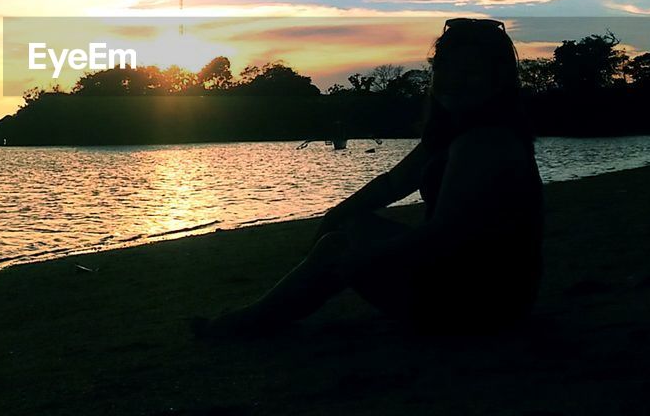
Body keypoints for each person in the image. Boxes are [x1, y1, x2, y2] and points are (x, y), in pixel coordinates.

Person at [189, 17, 544, 338]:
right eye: (444, 68)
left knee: (342, 247)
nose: (452, 81)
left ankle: (247, 323)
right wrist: (334, 216)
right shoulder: (451, 135)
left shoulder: (483, 141)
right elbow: (393, 183)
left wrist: (363, 259)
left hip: (486, 306)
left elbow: (444, 234)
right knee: (350, 228)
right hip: (480, 287)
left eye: (469, 72)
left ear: (497, 80)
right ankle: (256, 318)